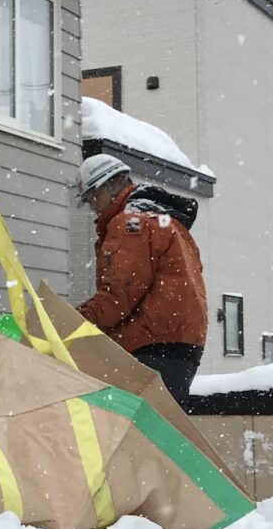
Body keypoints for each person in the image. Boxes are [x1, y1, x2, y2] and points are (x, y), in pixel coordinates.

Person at [74, 153, 208, 402]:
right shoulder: (167, 222)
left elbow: (119, 296)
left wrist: (70, 322)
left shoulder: (131, 224)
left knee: (131, 432)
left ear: (113, 183)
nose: (92, 204)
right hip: (181, 344)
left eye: (93, 194)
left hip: (150, 345)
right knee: (159, 431)